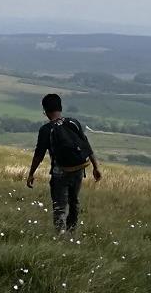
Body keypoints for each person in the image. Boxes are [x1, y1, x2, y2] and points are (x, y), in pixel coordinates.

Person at [26, 93, 103, 234]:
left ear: (45, 111)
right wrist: (96, 167)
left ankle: (60, 237)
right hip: (79, 169)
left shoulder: (46, 130)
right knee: (74, 202)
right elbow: (86, 145)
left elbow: (39, 155)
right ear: (60, 107)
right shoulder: (74, 122)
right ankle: (72, 232)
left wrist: (31, 174)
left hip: (60, 172)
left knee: (60, 207)